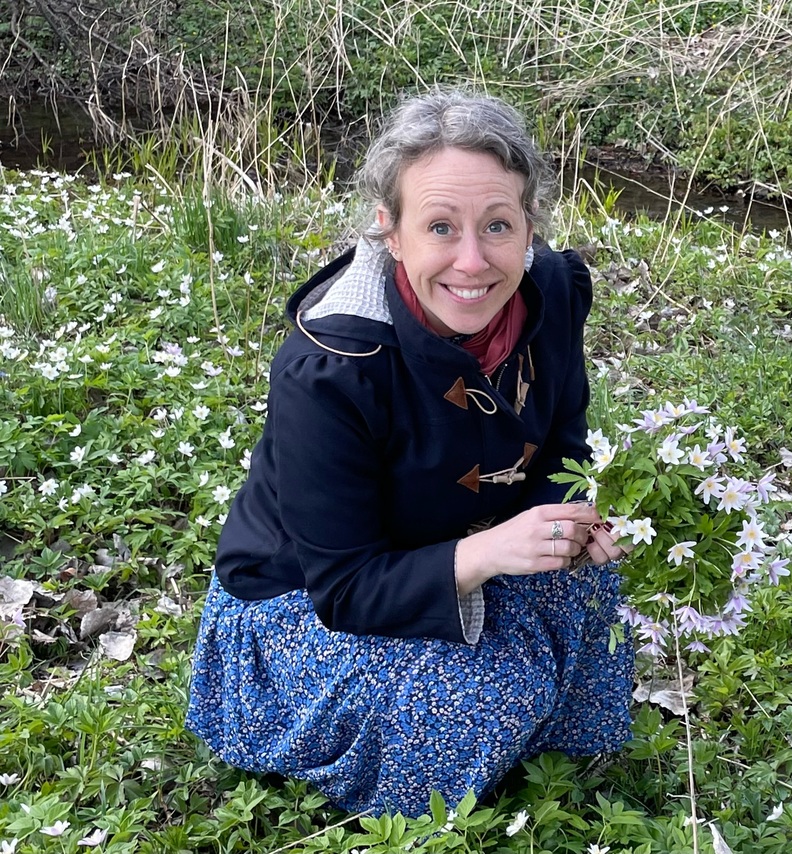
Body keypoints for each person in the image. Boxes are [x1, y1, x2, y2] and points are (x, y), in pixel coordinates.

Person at [185, 88, 634, 817]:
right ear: (391, 231)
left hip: (443, 546)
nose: (471, 262)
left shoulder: (551, 289)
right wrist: (492, 552)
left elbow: (562, 442)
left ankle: (553, 760)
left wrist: (568, 511)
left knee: (583, 581)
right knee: (482, 693)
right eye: (439, 227)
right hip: (300, 603)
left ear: (528, 228)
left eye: (497, 226)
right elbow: (344, 588)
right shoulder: (333, 363)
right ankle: (421, 798)